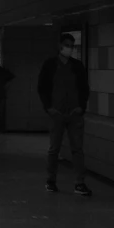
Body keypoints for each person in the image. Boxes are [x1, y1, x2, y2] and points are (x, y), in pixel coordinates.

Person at [37, 33, 92, 196]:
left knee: (77, 149)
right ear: (60, 46)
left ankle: (80, 183)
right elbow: (42, 88)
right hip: (57, 113)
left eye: (72, 46)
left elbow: (84, 88)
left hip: (75, 113)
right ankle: (51, 180)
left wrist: (81, 107)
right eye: (67, 45)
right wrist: (49, 108)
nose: (69, 48)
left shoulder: (77, 66)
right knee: (54, 149)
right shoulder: (50, 65)